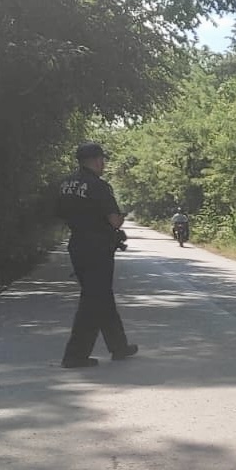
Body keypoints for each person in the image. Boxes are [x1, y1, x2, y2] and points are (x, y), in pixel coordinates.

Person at [56, 142, 138, 368]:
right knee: (93, 299)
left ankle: (119, 346)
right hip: (98, 247)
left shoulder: (65, 184)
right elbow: (114, 220)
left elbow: (60, 213)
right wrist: (120, 217)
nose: (104, 164)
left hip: (77, 245)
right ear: (96, 160)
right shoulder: (98, 185)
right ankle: (74, 356)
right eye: (102, 159)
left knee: (101, 296)